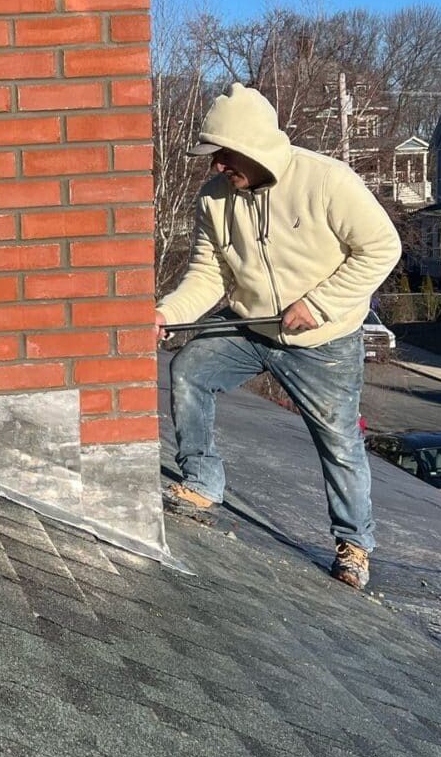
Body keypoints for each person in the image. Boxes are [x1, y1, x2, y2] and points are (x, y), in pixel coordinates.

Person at [155, 84, 402, 590]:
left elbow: (381, 248)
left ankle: (355, 544)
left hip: (325, 343)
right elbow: (208, 274)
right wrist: (165, 313)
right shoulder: (215, 199)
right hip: (251, 327)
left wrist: (319, 305)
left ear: (252, 148)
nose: (217, 166)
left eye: (223, 155)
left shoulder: (328, 182)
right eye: (213, 157)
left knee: (338, 441)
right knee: (190, 370)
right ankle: (202, 484)